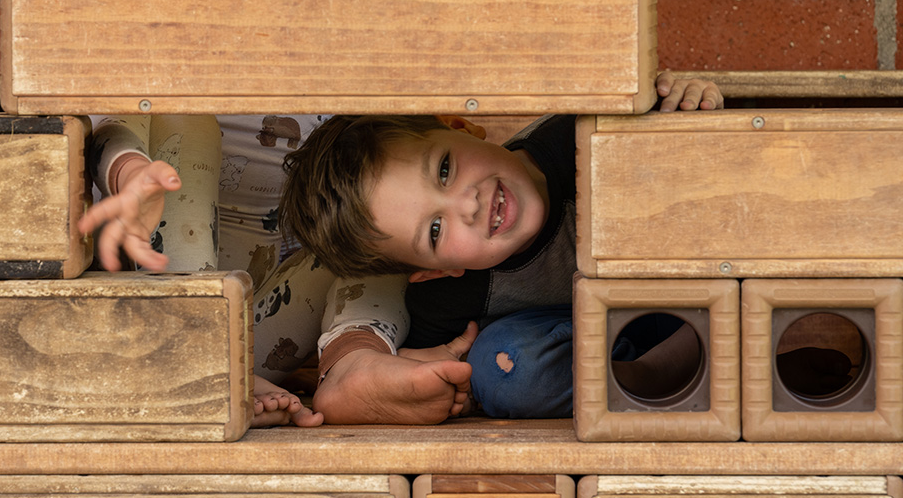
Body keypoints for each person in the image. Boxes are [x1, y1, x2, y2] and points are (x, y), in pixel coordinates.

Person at [77, 0, 413, 429]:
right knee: (187, 123)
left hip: (279, 323)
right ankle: (213, 361)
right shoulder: (138, 62)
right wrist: (132, 175)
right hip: (165, 320)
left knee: (373, 228)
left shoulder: (328, 75)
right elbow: (106, 129)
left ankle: (356, 364)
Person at [278, 73, 725, 424]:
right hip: (631, 342)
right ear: (433, 271)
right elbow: (423, 375)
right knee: (504, 367)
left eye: (446, 169)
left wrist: (688, 103)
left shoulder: (584, 136)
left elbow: (724, 165)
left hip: (714, 284)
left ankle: (712, 352)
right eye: (434, 231)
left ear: (460, 127)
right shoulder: (447, 298)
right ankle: (674, 371)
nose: (468, 205)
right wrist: (430, 372)